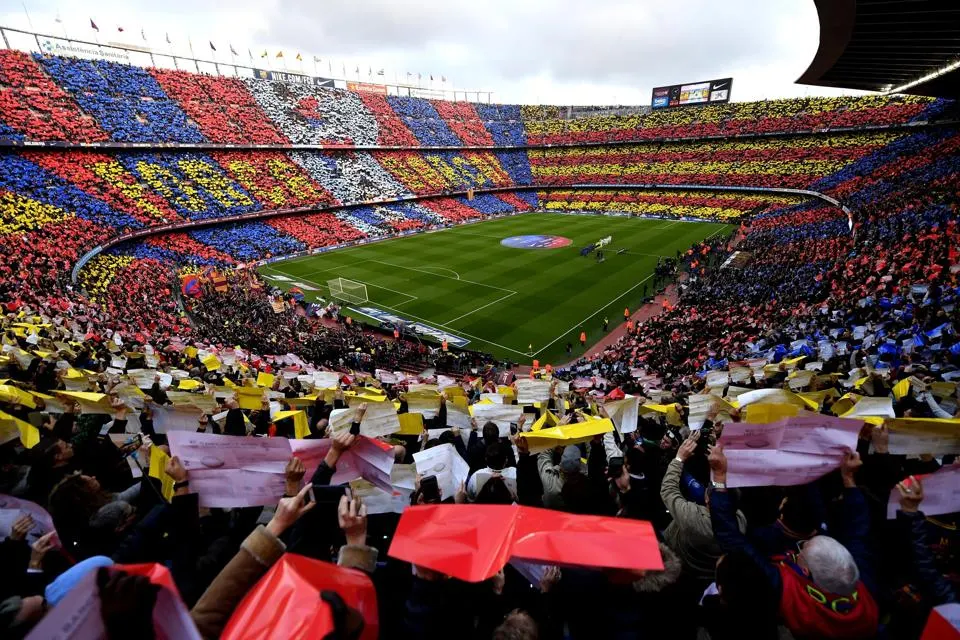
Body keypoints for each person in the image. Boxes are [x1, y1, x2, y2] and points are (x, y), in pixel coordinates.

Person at [709, 444, 880, 638]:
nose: (803, 544)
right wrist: (849, 479)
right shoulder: (866, 589)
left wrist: (719, 479)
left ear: (806, 572)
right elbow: (858, 530)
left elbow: (732, 541)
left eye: (804, 550)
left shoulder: (787, 592)